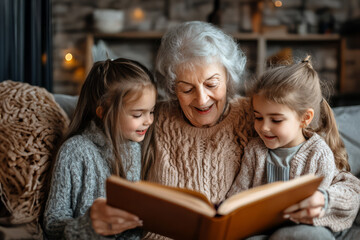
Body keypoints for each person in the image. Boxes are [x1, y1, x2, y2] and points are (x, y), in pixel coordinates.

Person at [139, 21, 360, 239]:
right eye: (186, 89)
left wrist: (324, 201)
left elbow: (346, 184)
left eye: (211, 84)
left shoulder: (257, 113)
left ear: (227, 77)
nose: (202, 98)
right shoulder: (151, 118)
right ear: (171, 86)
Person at [227, 56, 360, 239]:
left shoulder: (318, 153)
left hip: (303, 226)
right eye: (258, 117)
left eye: (276, 120)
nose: (264, 127)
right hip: (260, 228)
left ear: (305, 118)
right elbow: (239, 192)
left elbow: (320, 202)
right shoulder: (255, 150)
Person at [43, 58, 157, 239]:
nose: (148, 120)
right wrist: (89, 226)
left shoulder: (141, 146)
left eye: (151, 111)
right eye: (138, 114)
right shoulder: (75, 151)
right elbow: (52, 222)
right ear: (103, 112)